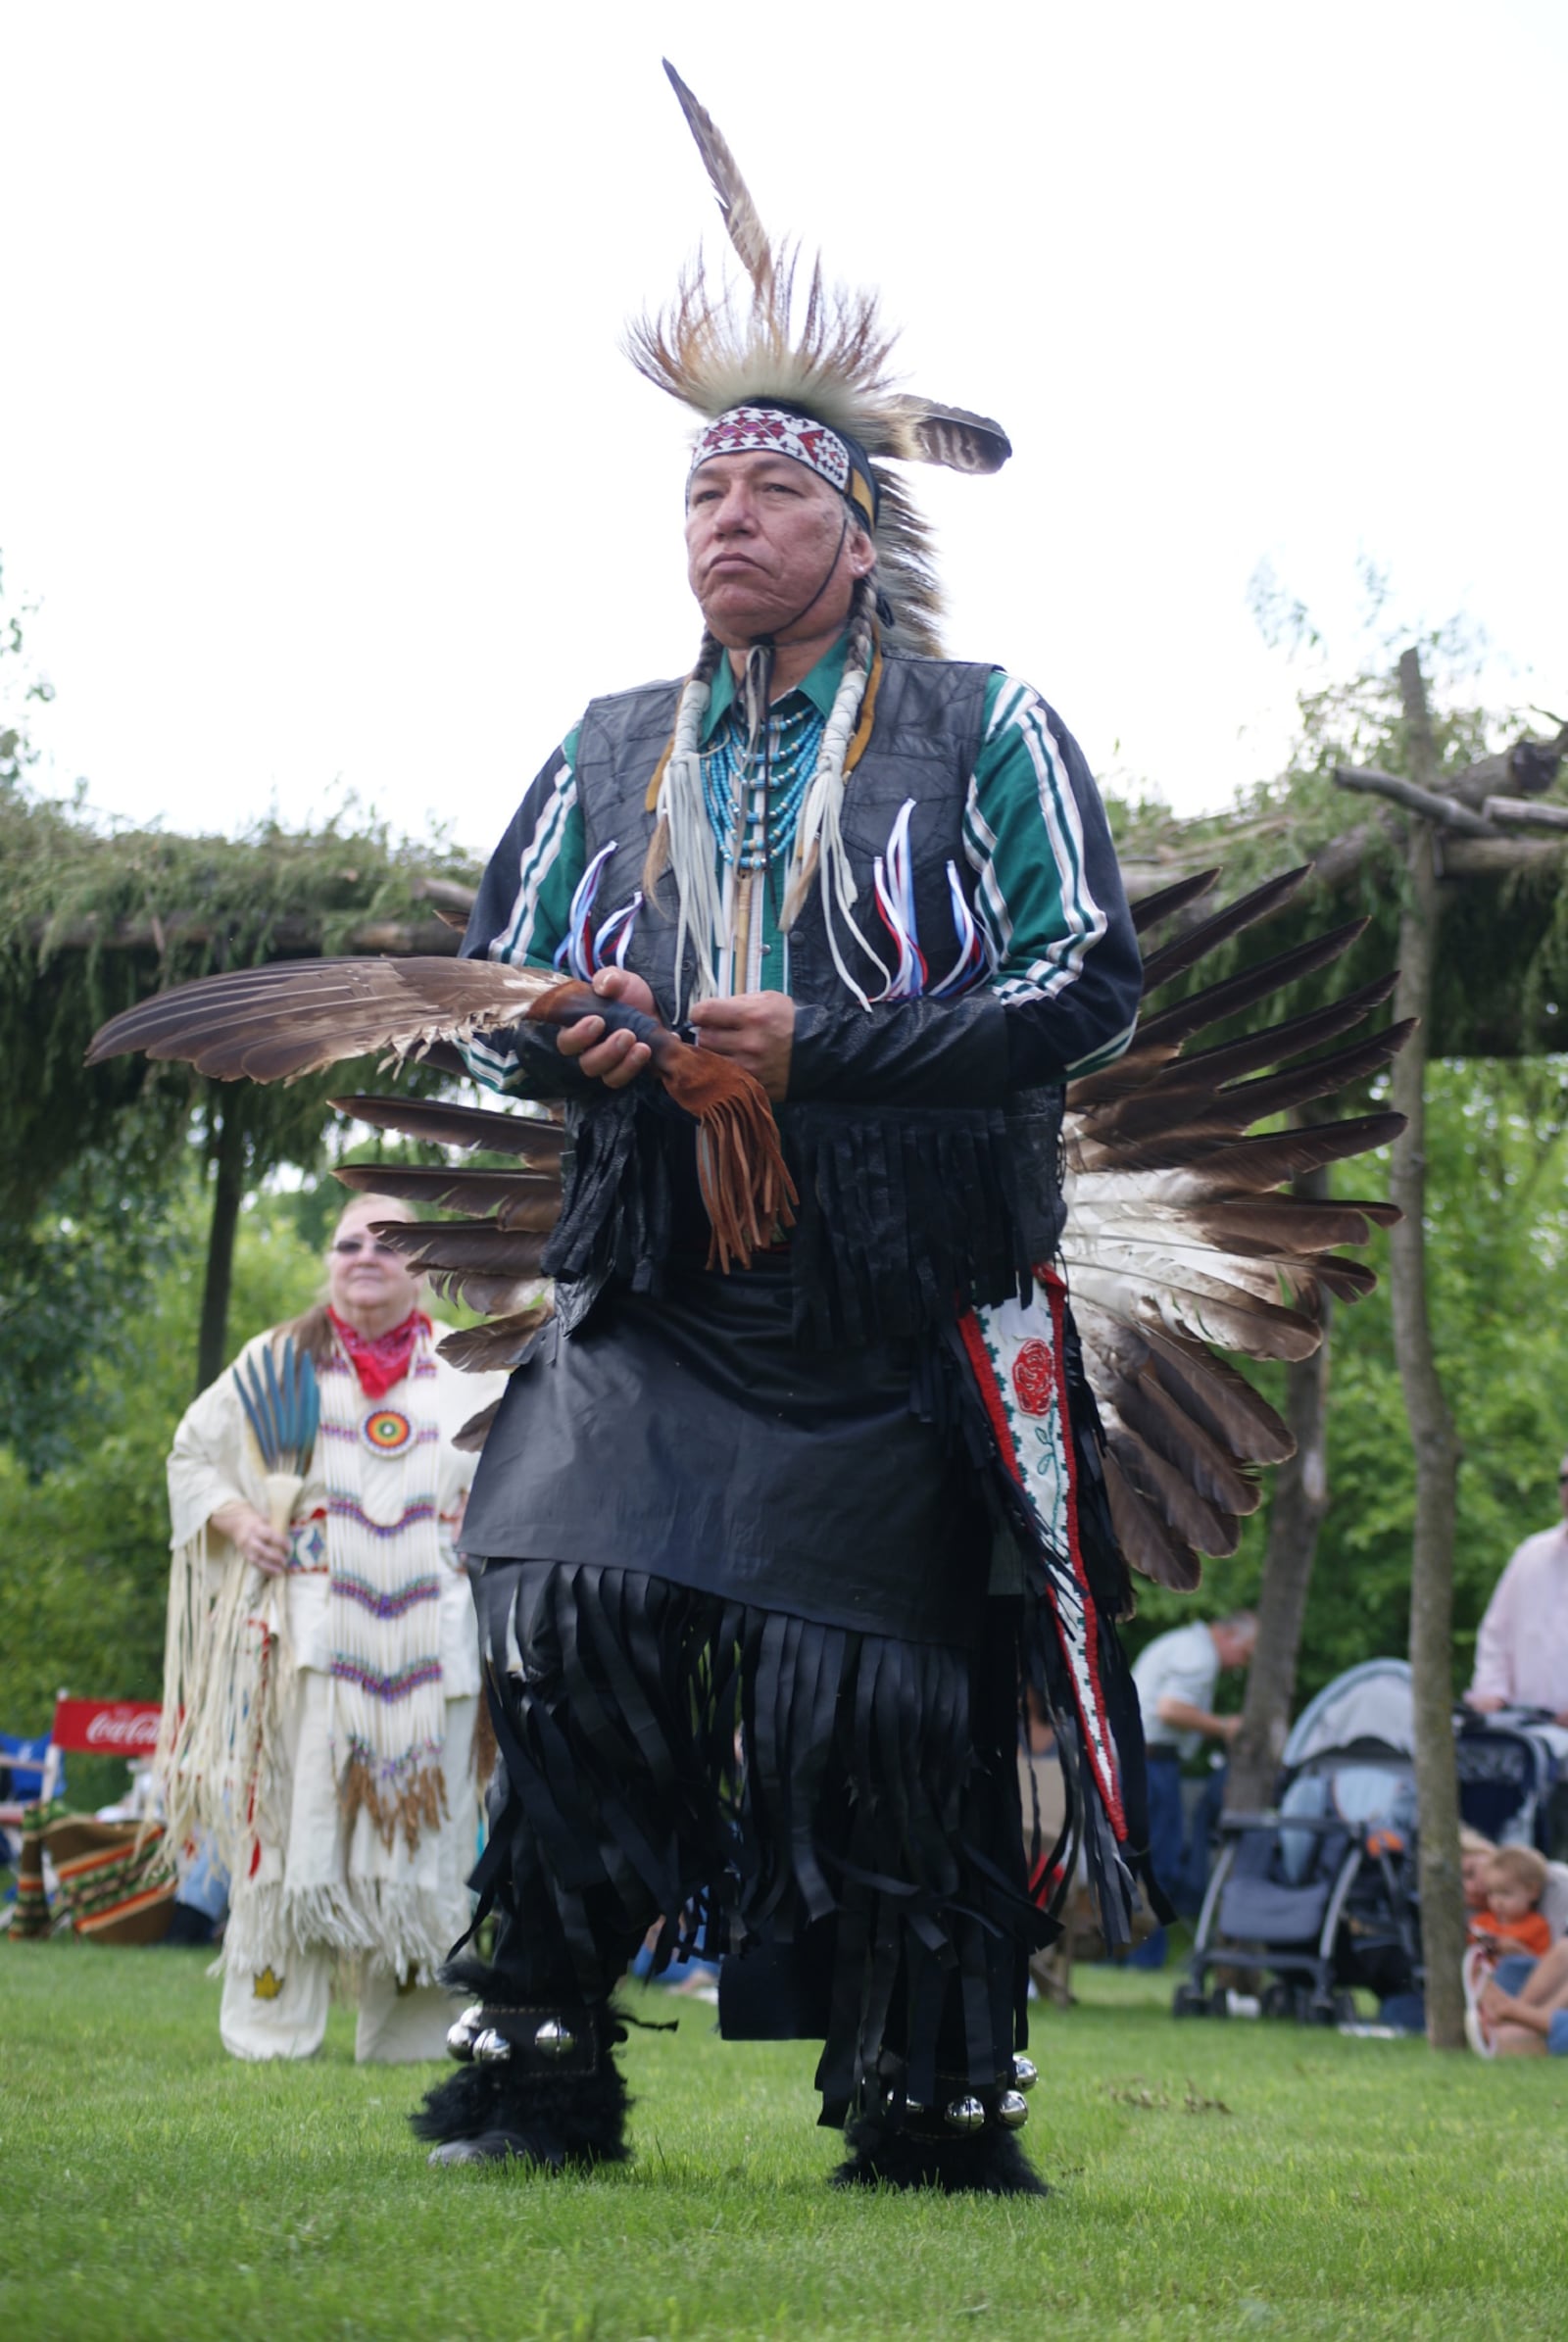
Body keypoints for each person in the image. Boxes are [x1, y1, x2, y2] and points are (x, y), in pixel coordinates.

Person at [412, 73, 1146, 2197]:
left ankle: (924, 2108)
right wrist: (590, 1045)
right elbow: (489, 1014)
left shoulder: (978, 725)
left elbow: (1080, 984)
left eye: (761, 490)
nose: (719, 519)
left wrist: (819, 1048)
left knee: (883, 1714)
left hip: (895, 1304)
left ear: (850, 528)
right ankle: (534, 2064)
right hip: (661, 1290)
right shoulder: (605, 745)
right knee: (568, 1620)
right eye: (696, 495)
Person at [162, 1195, 505, 2060]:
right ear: (329, 1259)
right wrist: (241, 1522)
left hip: (434, 1634)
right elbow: (193, 1457)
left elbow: (528, 1469)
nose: (366, 1257)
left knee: (428, 1823)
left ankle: (415, 2027)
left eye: (390, 1245)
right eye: (349, 1241)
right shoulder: (278, 1363)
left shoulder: (469, 1369)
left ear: (422, 1264)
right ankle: (274, 2019)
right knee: (294, 1815)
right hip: (310, 1628)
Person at [1126, 1613, 1257, 1969]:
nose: (1240, 1666)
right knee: (1159, 1862)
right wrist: (1224, 1726)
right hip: (1153, 1764)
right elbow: (1170, 1709)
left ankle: (1119, 1953)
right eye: (1245, 1655)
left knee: (1132, 1861)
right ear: (1230, 1636)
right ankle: (1143, 1956)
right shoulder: (1199, 1657)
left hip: (1134, 1759)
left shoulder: (1183, 1644)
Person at [1465, 1457, 1568, 1723]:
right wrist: (1492, 1692)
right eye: (1564, 1480)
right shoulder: (1531, 1555)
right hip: (1530, 1737)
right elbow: (1496, 1635)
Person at [1466, 1844, 1552, 1965]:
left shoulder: (1538, 1927)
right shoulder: (1480, 1923)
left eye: (1505, 1893)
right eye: (1491, 1893)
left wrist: (1519, 1952)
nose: (1497, 1901)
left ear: (1533, 1891)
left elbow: (1543, 1967)